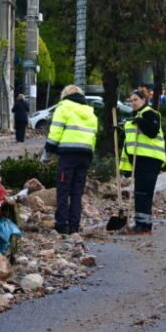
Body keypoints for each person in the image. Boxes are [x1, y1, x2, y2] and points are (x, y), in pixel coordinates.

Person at [44, 85, 98, 236]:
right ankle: (74, 225)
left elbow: (55, 132)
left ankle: (62, 224)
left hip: (68, 155)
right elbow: (93, 137)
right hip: (85, 155)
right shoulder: (91, 112)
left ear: (64, 95)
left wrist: (47, 154)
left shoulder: (63, 108)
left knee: (63, 189)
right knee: (77, 192)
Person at [119, 89, 166, 234]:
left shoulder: (150, 114)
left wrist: (141, 122)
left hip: (150, 160)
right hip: (141, 161)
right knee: (140, 193)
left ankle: (143, 226)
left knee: (144, 194)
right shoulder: (137, 116)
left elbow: (152, 131)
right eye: (131, 101)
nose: (133, 103)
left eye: (135, 100)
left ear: (144, 100)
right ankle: (143, 224)